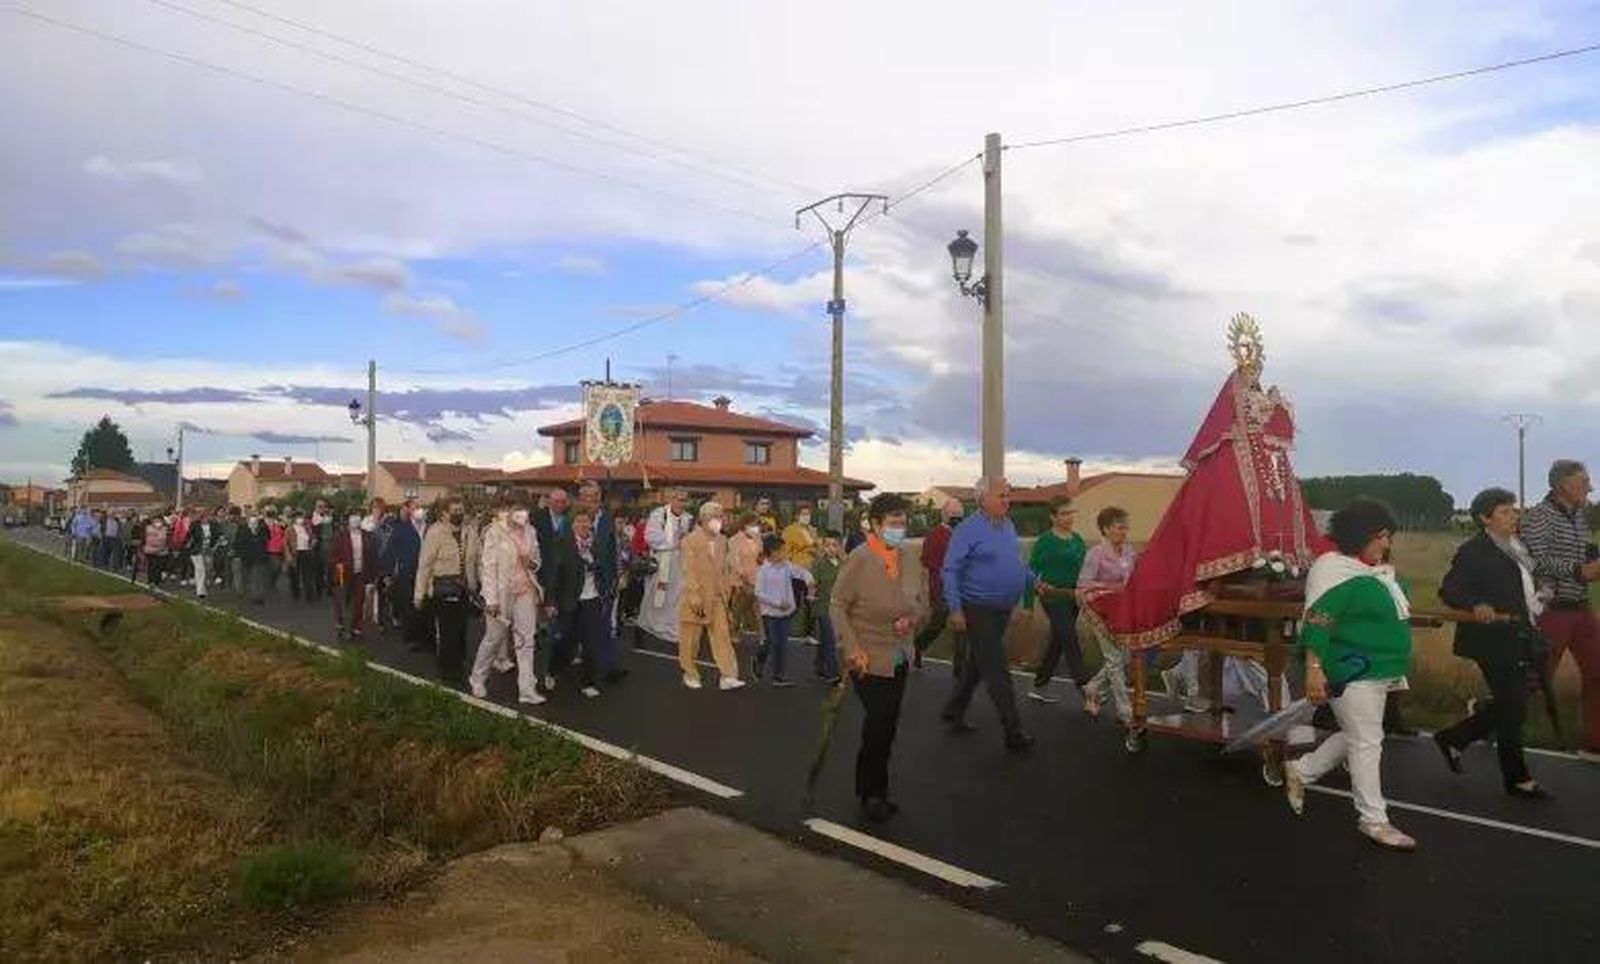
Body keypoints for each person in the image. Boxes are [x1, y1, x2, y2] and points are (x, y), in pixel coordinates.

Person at [1285, 499, 1417, 851]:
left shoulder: (1378, 573)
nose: (1387, 544)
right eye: (1381, 537)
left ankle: (1302, 770)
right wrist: (1314, 670)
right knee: (1367, 740)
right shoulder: (1335, 571)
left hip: (1381, 671)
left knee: (1360, 734)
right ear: (1361, 536)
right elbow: (1317, 624)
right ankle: (1374, 819)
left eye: (1387, 537)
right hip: (1352, 668)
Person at [1434, 488, 1551, 798]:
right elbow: (1449, 590)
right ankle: (1517, 778)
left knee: (1513, 703)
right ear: (1485, 518)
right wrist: (1476, 604)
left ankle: (1454, 738)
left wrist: (1539, 596)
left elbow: (1522, 585)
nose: (1514, 515)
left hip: (1519, 632)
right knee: (1513, 706)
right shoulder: (1474, 551)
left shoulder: (1516, 547)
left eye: (1514, 510)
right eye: (1504, 511)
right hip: (1491, 639)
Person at [832, 493, 921, 823]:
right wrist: (851, 647)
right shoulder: (861, 557)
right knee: (879, 721)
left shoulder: (910, 557)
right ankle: (870, 793)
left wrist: (912, 618)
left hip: (899, 653)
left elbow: (920, 601)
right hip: (867, 654)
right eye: (894, 523)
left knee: (887, 725)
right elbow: (837, 604)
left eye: (903, 523)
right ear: (876, 525)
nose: (900, 529)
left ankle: (877, 790)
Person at [939, 476, 1033, 752]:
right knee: (996, 668)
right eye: (1001, 495)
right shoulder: (966, 530)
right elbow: (950, 571)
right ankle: (1013, 730)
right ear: (982, 499)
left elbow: (1013, 563)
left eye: (1008, 495)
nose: (1007, 500)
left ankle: (954, 710)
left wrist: (1032, 579)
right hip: (977, 607)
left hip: (1003, 607)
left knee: (977, 664)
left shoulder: (1007, 525)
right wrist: (955, 609)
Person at [1520, 459, 1600, 758]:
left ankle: (1595, 743)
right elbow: (1533, 559)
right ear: (1563, 485)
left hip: (1581, 607)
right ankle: (1486, 718)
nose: (1590, 488)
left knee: (1598, 672)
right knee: (1535, 679)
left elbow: (1578, 550)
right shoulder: (1539, 517)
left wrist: (1592, 560)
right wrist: (1579, 571)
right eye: (1584, 482)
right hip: (1551, 607)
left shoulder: (1579, 515)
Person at [471, 494, 545, 705]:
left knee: (526, 640)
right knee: (494, 637)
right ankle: (477, 678)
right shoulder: (495, 532)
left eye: (524, 510)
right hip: (501, 594)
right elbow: (488, 567)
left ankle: (527, 689)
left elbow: (537, 561)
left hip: (526, 591)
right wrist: (491, 599)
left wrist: (530, 562)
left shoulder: (531, 531)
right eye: (516, 509)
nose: (521, 514)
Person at [1025, 495, 1089, 703]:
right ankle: (1086, 687)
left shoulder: (1078, 540)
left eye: (1071, 512)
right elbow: (1030, 571)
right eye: (1064, 514)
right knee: (1069, 637)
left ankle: (1040, 686)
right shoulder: (1046, 541)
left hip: (1073, 596)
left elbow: (1085, 571)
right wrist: (1028, 603)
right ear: (1053, 517)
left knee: (1059, 641)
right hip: (1051, 596)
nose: (1070, 517)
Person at [676, 501, 744, 690]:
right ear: (704, 519)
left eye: (721, 516)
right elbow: (688, 570)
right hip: (695, 597)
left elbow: (723, 569)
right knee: (691, 639)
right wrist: (693, 593)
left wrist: (729, 590)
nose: (720, 520)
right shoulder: (690, 540)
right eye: (716, 516)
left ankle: (728, 675)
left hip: (717, 597)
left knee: (722, 635)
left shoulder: (723, 541)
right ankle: (690, 673)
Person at [1078, 507, 1138, 722]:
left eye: (1125, 527)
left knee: (1126, 657)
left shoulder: (1130, 551)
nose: (1124, 531)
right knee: (1113, 659)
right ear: (1106, 529)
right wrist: (1112, 588)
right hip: (1099, 610)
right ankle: (1125, 710)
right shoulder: (1096, 554)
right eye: (1119, 527)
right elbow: (1083, 585)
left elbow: (1134, 578)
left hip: (1122, 610)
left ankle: (1093, 686)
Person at [415, 500, 480, 686]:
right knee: (448, 631)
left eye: (461, 510)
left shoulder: (470, 532)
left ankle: (459, 665)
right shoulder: (435, 533)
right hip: (444, 588)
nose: (459, 513)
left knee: (461, 630)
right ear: (444, 514)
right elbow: (425, 565)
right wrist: (419, 594)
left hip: (465, 589)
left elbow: (478, 560)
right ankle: (447, 670)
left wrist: (481, 587)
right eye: (454, 510)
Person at [559, 507, 613, 698]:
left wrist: (605, 587)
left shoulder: (597, 544)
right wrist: (551, 601)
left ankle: (588, 682)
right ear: (572, 525)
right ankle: (554, 670)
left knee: (591, 644)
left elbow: (605, 568)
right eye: (578, 521)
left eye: (586, 521)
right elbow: (557, 575)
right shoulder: (563, 544)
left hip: (592, 599)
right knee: (565, 641)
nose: (583, 525)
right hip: (570, 600)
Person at [577, 483, 626, 683]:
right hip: (579, 583)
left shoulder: (607, 519)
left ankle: (609, 667)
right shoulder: (573, 519)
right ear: (581, 498)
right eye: (588, 496)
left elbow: (614, 549)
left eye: (596, 495)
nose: (593, 499)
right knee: (573, 628)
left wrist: (617, 576)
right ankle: (560, 665)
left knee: (605, 625)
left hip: (604, 582)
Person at [754, 534, 814, 686]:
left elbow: (800, 572)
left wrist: (809, 579)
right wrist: (776, 603)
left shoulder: (787, 565)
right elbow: (759, 593)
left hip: (786, 612)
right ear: (771, 552)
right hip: (770, 613)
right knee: (772, 642)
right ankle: (759, 659)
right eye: (780, 550)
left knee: (781, 644)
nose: (784, 553)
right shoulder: (763, 571)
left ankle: (778, 677)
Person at [912, 498, 962, 669]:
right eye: (954, 514)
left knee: (960, 627)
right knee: (938, 624)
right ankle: (917, 647)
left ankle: (960, 666)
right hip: (941, 589)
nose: (957, 516)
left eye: (959, 513)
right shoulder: (935, 536)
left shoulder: (961, 534)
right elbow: (926, 563)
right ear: (945, 515)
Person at [639, 489, 691, 643]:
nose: (682, 503)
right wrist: (675, 541)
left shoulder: (688, 518)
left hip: (680, 564)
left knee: (677, 595)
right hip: (662, 562)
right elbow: (650, 536)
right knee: (657, 594)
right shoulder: (659, 514)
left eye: (684, 500)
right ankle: (653, 624)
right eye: (679, 499)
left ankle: (672, 626)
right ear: (671, 499)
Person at [387, 500, 427, 647]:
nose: (418, 510)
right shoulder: (401, 529)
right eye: (415, 508)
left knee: (424, 605)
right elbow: (392, 551)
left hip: (426, 572)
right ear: (409, 511)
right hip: (407, 571)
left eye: (419, 507)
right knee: (408, 605)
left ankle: (424, 636)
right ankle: (410, 637)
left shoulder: (428, 528)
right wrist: (390, 572)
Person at [330, 510, 376, 641]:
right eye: (353, 518)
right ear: (348, 520)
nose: (356, 520)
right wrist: (337, 566)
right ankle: (342, 625)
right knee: (343, 600)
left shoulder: (367, 535)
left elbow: (372, 556)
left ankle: (355, 626)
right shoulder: (340, 536)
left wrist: (371, 577)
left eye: (358, 518)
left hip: (361, 572)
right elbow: (333, 555)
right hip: (344, 572)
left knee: (359, 600)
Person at [811, 532, 844, 682]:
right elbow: (812, 584)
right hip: (823, 606)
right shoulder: (819, 564)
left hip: (839, 607)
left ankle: (819, 663)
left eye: (834, 545)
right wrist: (811, 594)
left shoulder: (844, 563)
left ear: (839, 547)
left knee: (825, 638)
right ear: (823, 547)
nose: (831, 548)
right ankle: (832, 672)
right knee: (830, 638)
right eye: (827, 545)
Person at [783, 505, 819, 636]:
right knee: (795, 602)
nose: (806, 517)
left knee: (811, 603)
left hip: (811, 572)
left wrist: (814, 550)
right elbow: (785, 552)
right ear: (797, 516)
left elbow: (818, 547)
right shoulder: (789, 530)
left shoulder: (813, 530)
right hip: (796, 571)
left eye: (808, 514)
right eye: (804, 514)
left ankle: (808, 633)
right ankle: (784, 628)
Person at [727, 512, 763, 638]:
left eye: (756, 524)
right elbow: (733, 560)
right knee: (738, 608)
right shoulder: (735, 540)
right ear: (745, 525)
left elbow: (760, 556)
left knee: (758, 608)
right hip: (740, 580)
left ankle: (762, 635)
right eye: (753, 524)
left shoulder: (757, 539)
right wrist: (742, 575)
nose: (755, 527)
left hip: (756, 578)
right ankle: (734, 631)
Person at [236, 508, 270, 604]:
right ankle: (255, 594)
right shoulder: (242, 528)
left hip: (260, 556)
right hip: (247, 557)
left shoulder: (262, 528)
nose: (253, 519)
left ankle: (258, 596)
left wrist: (263, 522)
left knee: (258, 576)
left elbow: (268, 536)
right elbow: (238, 542)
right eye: (251, 517)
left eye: (255, 517)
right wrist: (239, 554)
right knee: (251, 577)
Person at [185, 508, 218, 599]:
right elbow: (189, 536)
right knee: (200, 569)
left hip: (208, 550)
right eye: (205, 516)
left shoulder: (214, 526)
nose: (207, 518)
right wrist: (187, 543)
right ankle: (200, 591)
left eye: (209, 516)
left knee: (208, 569)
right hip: (197, 551)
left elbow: (217, 535)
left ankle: (202, 584)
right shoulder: (195, 525)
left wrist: (216, 544)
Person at [287, 509, 316, 602]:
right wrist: (288, 555)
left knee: (307, 575)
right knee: (295, 575)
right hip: (295, 553)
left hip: (306, 552)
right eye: (298, 517)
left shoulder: (307, 528)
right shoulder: (290, 529)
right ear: (294, 518)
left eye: (301, 517)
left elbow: (313, 537)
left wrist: (313, 542)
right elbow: (285, 543)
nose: (300, 519)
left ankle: (310, 596)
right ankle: (296, 592)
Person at [263, 506, 288, 598]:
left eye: (272, 512)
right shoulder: (263, 523)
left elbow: (285, 532)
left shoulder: (279, 523)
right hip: (269, 549)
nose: (271, 514)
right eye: (269, 512)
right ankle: (270, 583)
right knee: (275, 567)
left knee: (278, 568)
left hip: (280, 549)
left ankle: (271, 583)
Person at [141, 511, 170, 586]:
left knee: (159, 567)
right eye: (155, 520)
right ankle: (151, 581)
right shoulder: (148, 528)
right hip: (151, 550)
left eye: (159, 520)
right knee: (152, 566)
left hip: (162, 551)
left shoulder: (165, 528)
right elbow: (149, 539)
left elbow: (166, 538)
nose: (157, 522)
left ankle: (157, 581)